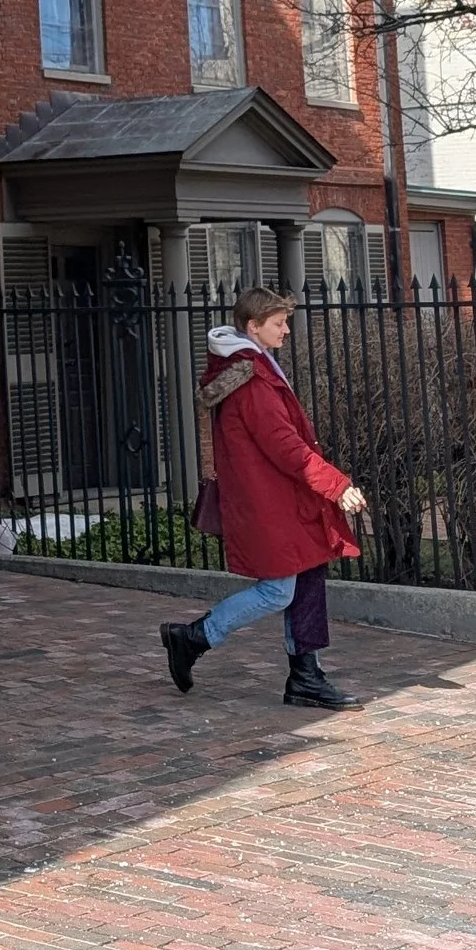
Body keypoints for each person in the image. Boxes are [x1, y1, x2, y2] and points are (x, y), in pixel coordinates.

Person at [161, 283, 367, 710]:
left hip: (284, 497)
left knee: (307, 577)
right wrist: (337, 485)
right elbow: (284, 446)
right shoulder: (252, 379)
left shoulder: (258, 366)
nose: (286, 330)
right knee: (277, 590)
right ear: (253, 327)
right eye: (279, 323)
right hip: (270, 500)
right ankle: (192, 638)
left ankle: (305, 677)